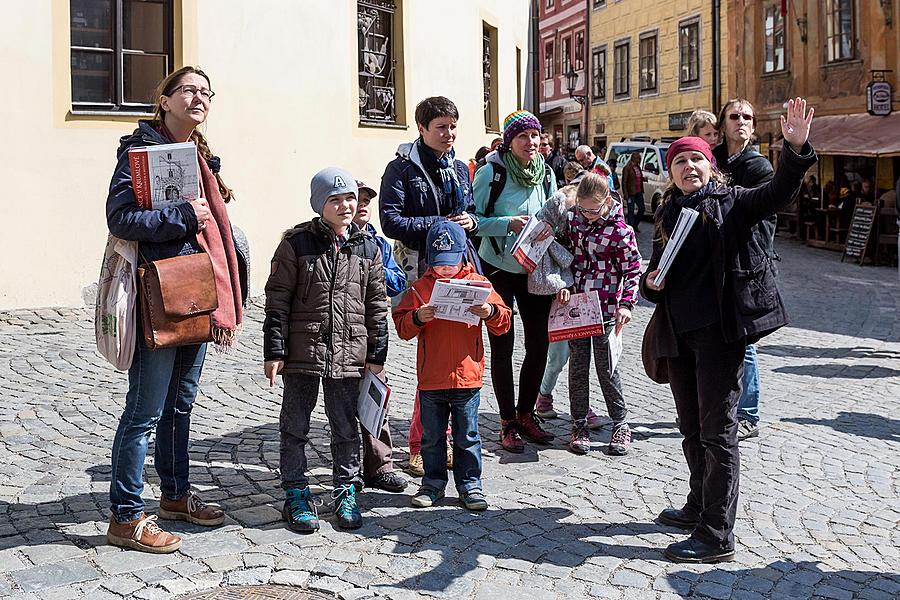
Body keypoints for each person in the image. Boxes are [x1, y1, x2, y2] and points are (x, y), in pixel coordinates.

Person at [642, 98, 816, 563]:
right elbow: (658, 275)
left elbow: (776, 194)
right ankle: (698, 505)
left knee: (719, 433)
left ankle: (717, 533)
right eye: (679, 161)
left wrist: (796, 150)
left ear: (711, 164)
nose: (688, 167)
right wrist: (649, 282)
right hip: (679, 335)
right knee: (690, 429)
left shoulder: (733, 202)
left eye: (696, 158)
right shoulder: (669, 212)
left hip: (720, 334)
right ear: (671, 172)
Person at [105, 66, 241, 554]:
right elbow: (120, 218)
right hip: (158, 298)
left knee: (180, 406)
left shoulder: (203, 158)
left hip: (198, 292)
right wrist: (183, 214)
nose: (199, 98)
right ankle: (125, 516)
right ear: (163, 100)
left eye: (207, 92)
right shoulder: (138, 154)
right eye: (189, 90)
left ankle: (175, 495)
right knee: (144, 410)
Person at [264, 168, 389, 533]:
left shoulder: (367, 246)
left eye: (350, 198)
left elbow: (377, 304)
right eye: (335, 200)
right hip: (303, 352)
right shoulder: (296, 244)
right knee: (295, 425)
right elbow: (278, 301)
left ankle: (346, 489)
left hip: (349, 352)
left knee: (346, 427)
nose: (345, 205)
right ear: (320, 204)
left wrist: (376, 354)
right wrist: (275, 350)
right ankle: (296, 493)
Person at [379, 96, 479, 475]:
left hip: (457, 268)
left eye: (453, 126)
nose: (449, 134)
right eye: (441, 127)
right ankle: (421, 443)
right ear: (421, 129)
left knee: (452, 354)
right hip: (418, 270)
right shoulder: (401, 169)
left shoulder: (459, 168)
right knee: (429, 357)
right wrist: (439, 225)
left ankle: (443, 438)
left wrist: (468, 222)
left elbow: (469, 210)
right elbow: (391, 221)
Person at [394, 221, 511, 511]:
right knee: (432, 437)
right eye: (439, 263)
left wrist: (490, 311)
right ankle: (432, 485)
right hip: (432, 377)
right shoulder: (421, 288)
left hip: (467, 377)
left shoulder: (481, 285)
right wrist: (419, 316)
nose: (445, 269)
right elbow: (402, 326)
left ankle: (470, 485)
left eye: (451, 262)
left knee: (467, 436)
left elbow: (504, 323)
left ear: (463, 255)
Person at [473, 110, 557, 453]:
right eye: (523, 136)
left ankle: (526, 414)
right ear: (510, 141)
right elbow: (473, 221)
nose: (531, 142)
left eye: (535, 136)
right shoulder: (491, 173)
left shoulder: (546, 174)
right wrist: (507, 223)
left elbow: (553, 214)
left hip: (533, 266)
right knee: (502, 344)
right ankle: (507, 421)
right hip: (498, 266)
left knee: (540, 343)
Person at [558, 172, 641, 455]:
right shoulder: (573, 222)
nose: (588, 215)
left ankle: (620, 423)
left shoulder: (620, 231)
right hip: (578, 308)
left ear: (607, 202)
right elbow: (561, 257)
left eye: (594, 210)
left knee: (608, 368)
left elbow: (632, 271)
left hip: (607, 307)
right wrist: (563, 284)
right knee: (578, 368)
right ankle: (578, 421)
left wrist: (627, 304)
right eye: (583, 209)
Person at [712, 98, 775, 442]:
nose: (741, 122)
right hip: (714, 263)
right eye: (734, 116)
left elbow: (759, 216)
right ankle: (720, 404)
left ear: (753, 126)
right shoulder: (714, 158)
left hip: (745, 262)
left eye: (747, 117)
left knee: (744, 340)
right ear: (723, 123)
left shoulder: (758, 167)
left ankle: (748, 412)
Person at [352, 180, 408, 493]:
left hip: (371, 333)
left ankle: (380, 467)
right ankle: (348, 471)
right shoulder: (333, 239)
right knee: (345, 404)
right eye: (355, 199)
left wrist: (375, 270)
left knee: (376, 401)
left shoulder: (379, 243)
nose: (361, 205)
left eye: (365, 200)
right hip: (341, 333)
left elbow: (397, 281)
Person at [621, 151, 646, 231]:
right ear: (634, 158)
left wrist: (643, 179)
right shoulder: (627, 168)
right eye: (638, 158)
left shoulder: (637, 167)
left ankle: (635, 224)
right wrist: (625, 193)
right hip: (631, 193)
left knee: (642, 209)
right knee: (631, 211)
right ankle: (630, 228)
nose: (640, 160)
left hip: (639, 192)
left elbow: (637, 177)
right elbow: (624, 181)